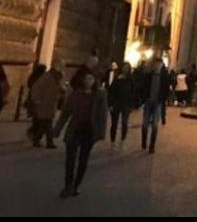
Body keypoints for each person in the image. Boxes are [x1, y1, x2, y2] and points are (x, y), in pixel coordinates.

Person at [52, 70, 107, 199]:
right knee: (70, 159)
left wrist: (101, 132)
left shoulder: (99, 95)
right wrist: (57, 129)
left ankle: (76, 185)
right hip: (75, 129)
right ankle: (68, 186)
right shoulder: (74, 95)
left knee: (83, 159)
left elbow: (102, 115)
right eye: (86, 78)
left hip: (89, 131)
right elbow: (65, 113)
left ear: (94, 81)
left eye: (91, 79)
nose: (88, 81)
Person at [27, 63, 66, 148]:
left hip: (50, 105)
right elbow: (36, 88)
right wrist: (37, 100)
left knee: (44, 124)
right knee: (47, 124)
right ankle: (49, 142)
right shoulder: (47, 77)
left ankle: (37, 139)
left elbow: (59, 89)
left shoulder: (56, 78)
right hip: (44, 104)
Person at [134, 58, 167, 153]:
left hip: (158, 103)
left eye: (159, 64)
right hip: (148, 102)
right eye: (155, 64)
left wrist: (163, 99)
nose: (157, 66)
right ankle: (144, 142)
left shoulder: (164, 77)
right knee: (145, 124)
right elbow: (143, 87)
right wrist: (143, 99)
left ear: (161, 65)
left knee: (155, 125)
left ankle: (152, 145)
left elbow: (165, 90)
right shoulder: (148, 76)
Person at [107, 63, 135, 145]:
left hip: (126, 104)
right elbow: (111, 91)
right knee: (114, 123)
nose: (125, 69)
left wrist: (131, 105)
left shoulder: (131, 80)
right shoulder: (117, 78)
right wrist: (110, 103)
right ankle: (112, 140)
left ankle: (123, 139)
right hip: (116, 103)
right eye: (124, 67)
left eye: (127, 68)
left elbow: (133, 92)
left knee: (124, 122)